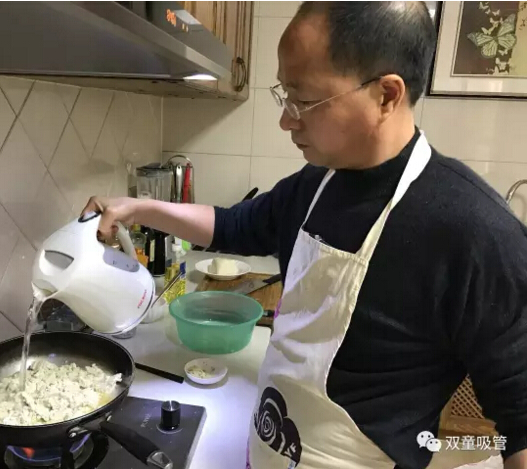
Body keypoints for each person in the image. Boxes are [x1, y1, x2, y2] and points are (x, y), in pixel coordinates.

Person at [82, 2, 527, 468]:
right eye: (285, 94)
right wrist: (139, 208)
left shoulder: (477, 234)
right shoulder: (317, 183)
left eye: (304, 99)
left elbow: (519, 423)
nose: (287, 120)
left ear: (386, 95)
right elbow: (234, 225)